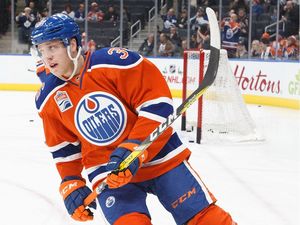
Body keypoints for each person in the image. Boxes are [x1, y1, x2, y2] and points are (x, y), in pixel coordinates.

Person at [30, 13, 237, 225]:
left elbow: (157, 105)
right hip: (108, 171)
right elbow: (64, 147)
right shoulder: (48, 98)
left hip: (158, 155)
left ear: (72, 44)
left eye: (53, 47)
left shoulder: (115, 63)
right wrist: (71, 182)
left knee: (205, 220)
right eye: (42, 49)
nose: (47, 56)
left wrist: (134, 147)